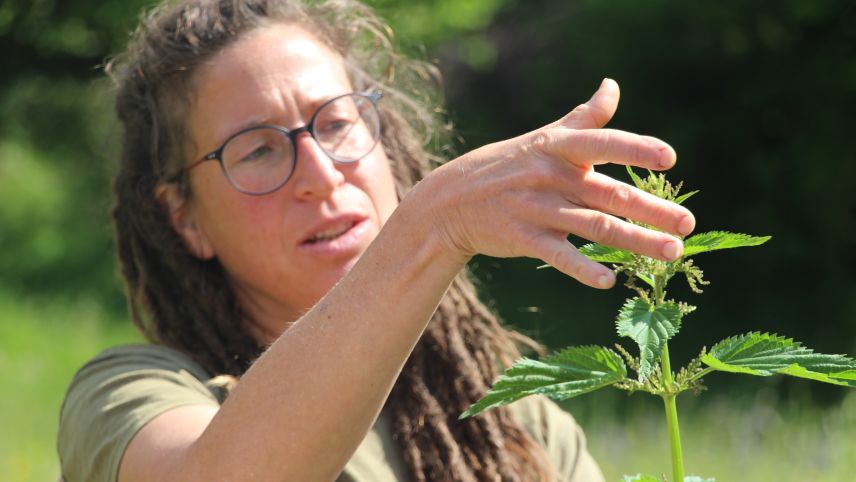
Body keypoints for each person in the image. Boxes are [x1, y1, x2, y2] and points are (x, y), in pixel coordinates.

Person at [56, 0, 695, 481]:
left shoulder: (514, 423)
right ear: (184, 219)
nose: (319, 174)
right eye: (256, 150)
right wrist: (430, 226)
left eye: (335, 121)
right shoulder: (130, 396)